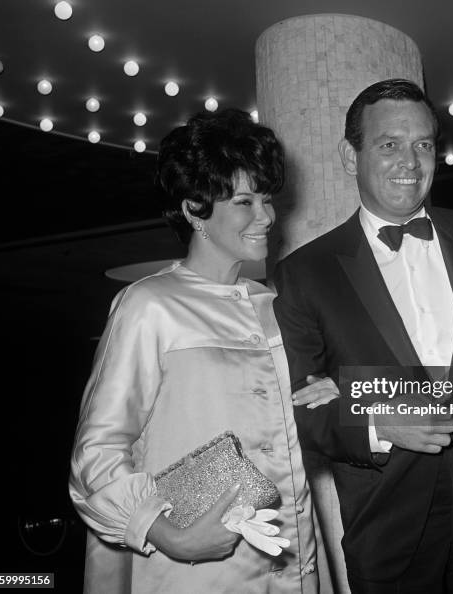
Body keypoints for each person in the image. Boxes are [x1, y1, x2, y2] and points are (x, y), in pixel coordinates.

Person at [273, 79, 453, 593]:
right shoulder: (305, 272)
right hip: (389, 521)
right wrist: (379, 422)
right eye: (389, 144)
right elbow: (299, 406)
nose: (410, 162)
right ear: (351, 157)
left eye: (424, 145)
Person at [69, 109, 328, 593]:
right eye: (245, 201)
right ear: (193, 209)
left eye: (267, 199)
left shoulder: (278, 307)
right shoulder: (148, 305)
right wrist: (166, 533)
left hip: (295, 565)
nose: (266, 217)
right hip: (196, 574)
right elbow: (98, 451)